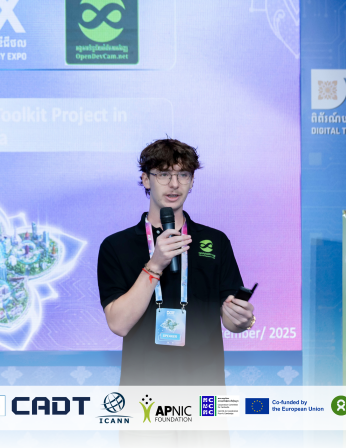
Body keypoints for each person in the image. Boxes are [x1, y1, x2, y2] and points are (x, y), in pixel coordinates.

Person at [97, 138, 256, 386]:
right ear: (146, 179)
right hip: (144, 389)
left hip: (204, 386)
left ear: (192, 181)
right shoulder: (116, 245)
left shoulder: (215, 241)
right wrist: (154, 265)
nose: (174, 184)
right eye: (163, 174)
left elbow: (230, 319)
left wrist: (241, 320)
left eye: (183, 174)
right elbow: (119, 324)